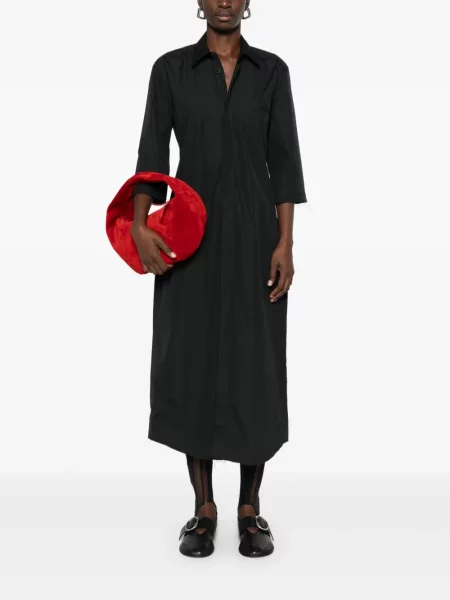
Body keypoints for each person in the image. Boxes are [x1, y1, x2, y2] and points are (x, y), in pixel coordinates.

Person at [130, 0, 307, 558]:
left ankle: (249, 509)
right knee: (192, 358)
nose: (225, 1)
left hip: (256, 237)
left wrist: (285, 243)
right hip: (190, 235)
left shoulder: (272, 71)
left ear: (248, 2)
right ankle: (203, 508)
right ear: (200, 2)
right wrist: (139, 224)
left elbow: (285, 161)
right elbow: (152, 155)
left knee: (256, 363)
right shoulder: (170, 70)